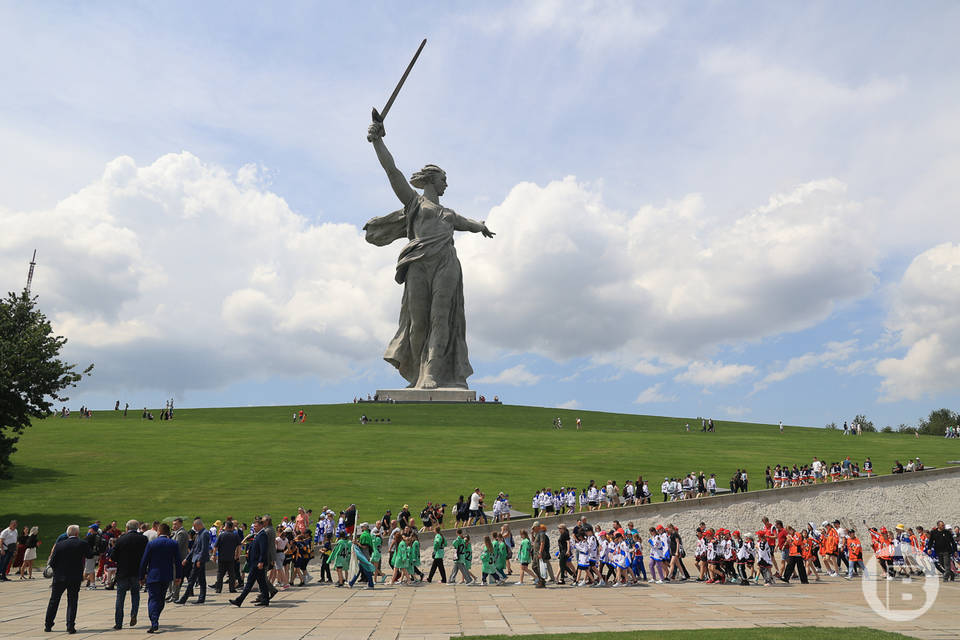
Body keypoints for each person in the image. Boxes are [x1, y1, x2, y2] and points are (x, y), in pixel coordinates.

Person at [364, 119, 495, 390]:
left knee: (440, 317)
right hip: (418, 263)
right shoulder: (414, 202)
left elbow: (469, 223)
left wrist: (481, 226)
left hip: (446, 263)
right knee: (418, 323)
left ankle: (433, 372)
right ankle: (416, 373)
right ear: (432, 180)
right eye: (444, 179)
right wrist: (378, 141)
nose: (446, 184)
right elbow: (392, 171)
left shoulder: (449, 214)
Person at [44, 525, 94, 633]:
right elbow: (90, 555)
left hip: (60, 577)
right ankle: (70, 625)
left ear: (68, 534)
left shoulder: (59, 545)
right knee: (72, 601)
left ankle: (48, 624)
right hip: (75, 577)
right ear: (77, 534)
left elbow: (52, 562)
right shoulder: (82, 543)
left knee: (54, 601)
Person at [138, 523, 182, 633]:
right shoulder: (173, 544)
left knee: (153, 598)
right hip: (166, 575)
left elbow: (144, 561)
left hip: (153, 575)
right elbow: (178, 561)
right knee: (161, 599)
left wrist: (141, 576)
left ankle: (154, 621)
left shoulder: (152, 544)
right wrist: (179, 576)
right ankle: (155, 618)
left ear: (159, 531)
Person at [111, 520, 147, 629]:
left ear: (127, 528)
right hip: (137, 572)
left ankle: (118, 623)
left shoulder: (121, 539)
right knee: (135, 594)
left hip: (123, 572)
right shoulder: (143, 539)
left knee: (120, 598)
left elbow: (113, 557)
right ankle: (134, 614)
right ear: (137, 527)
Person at [176, 518, 210, 604]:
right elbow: (194, 548)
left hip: (199, 560)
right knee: (201, 579)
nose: (194, 528)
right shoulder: (199, 534)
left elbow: (204, 549)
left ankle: (184, 599)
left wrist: (200, 560)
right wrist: (186, 559)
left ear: (199, 525)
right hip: (196, 559)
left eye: (195, 526)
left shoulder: (205, 533)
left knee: (192, 579)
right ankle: (201, 598)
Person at [212, 520, 242, 593]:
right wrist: (238, 555)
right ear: (232, 527)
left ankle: (219, 589)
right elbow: (239, 546)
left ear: (226, 527)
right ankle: (232, 589)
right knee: (231, 573)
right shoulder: (235, 535)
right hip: (231, 557)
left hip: (222, 557)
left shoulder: (221, 535)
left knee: (220, 573)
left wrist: (214, 555)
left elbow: (215, 546)